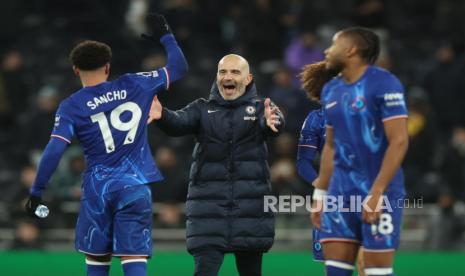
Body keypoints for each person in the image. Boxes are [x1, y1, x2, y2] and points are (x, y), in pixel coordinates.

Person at [24, 13, 188, 276]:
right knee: (133, 260)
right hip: (134, 187)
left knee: (97, 263)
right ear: (108, 67)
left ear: (75, 70)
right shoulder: (136, 83)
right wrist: (166, 36)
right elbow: (179, 68)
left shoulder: (71, 106)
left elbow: (54, 150)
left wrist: (36, 191)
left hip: (97, 191)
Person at [148, 54, 284, 276]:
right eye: (223, 72)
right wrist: (162, 115)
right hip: (207, 211)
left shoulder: (262, 108)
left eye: (234, 72)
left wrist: (271, 122)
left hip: (249, 209)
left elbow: (275, 123)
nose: (227, 77)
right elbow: (179, 122)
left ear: (248, 78)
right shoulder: (202, 108)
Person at [310, 27, 409, 276]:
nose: (326, 51)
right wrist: (320, 195)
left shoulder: (384, 83)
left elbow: (399, 141)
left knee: (375, 271)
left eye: (333, 44)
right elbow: (331, 146)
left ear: (351, 50)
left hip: (379, 192)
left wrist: (377, 192)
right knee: (335, 271)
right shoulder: (331, 90)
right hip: (340, 194)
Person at [297, 61, 365, 275]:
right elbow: (303, 162)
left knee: (368, 263)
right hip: (333, 198)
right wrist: (321, 187)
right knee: (336, 266)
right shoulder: (315, 120)